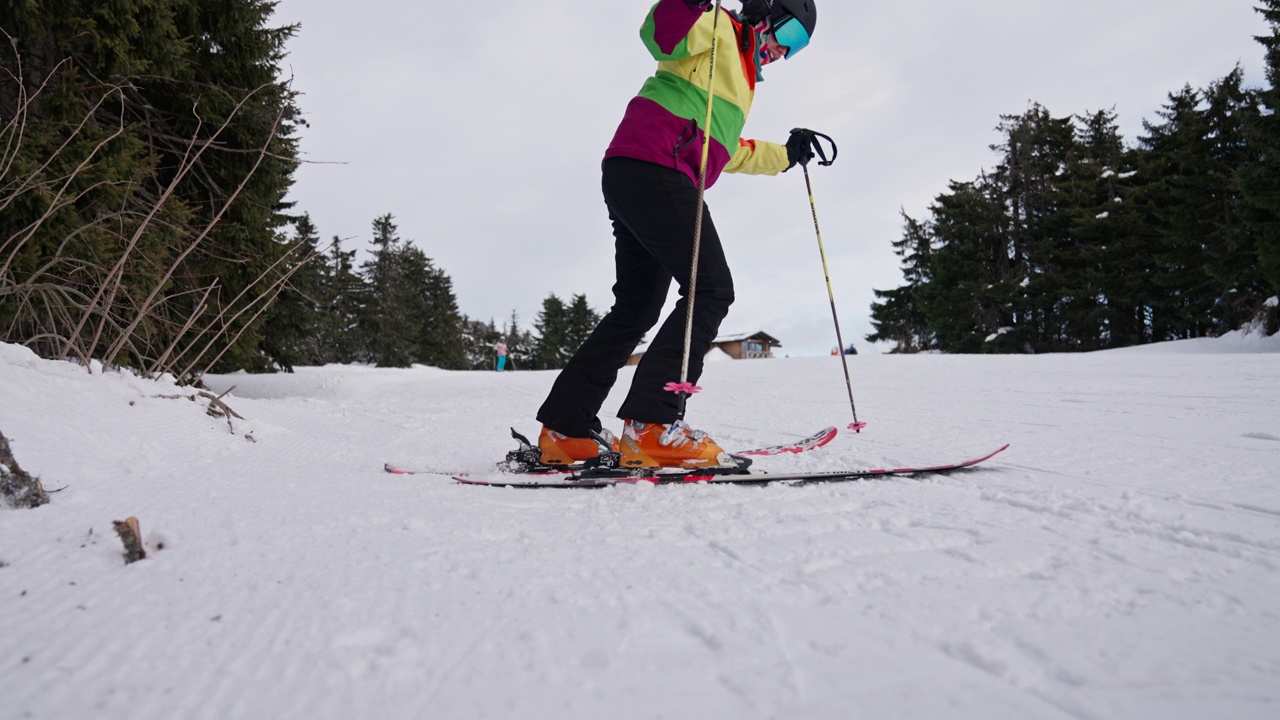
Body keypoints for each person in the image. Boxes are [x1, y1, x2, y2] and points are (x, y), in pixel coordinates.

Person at [535, 0, 823, 469]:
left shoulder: (741, 77)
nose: (782, 52)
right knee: (711, 288)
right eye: (788, 36)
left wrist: (787, 155)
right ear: (765, 11)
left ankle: (566, 428)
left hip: (635, 168)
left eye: (796, 49)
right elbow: (659, 36)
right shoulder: (718, 27)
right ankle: (652, 425)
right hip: (655, 166)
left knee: (637, 307)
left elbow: (727, 151)